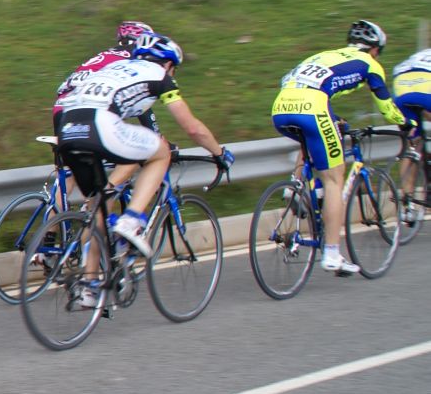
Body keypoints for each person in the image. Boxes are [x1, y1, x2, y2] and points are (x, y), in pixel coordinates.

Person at [57, 33, 233, 285]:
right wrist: (219, 153)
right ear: (169, 64)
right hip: (99, 125)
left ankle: (89, 286)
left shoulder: (114, 69)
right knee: (161, 151)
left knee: (100, 204)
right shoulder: (161, 76)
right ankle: (131, 221)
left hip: (67, 128)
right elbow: (192, 128)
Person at [271, 20, 412, 274]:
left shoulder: (325, 55)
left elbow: (296, 83)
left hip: (281, 108)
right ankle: (333, 254)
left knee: (311, 140)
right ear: (375, 49)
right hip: (313, 108)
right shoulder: (370, 64)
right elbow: (386, 107)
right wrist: (405, 122)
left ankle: (296, 188)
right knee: (335, 180)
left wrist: (334, 119)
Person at [52, 20, 156, 198]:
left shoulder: (104, 55)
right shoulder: (133, 60)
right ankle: (100, 203)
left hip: (61, 111)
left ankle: (52, 216)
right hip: (89, 112)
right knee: (133, 156)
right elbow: (141, 103)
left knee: (71, 174)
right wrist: (156, 134)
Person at [387, 46, 430, 224]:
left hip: (402, 89)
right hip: (425, 86)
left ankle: (408, 204)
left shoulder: (420, 55)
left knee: (412, 143)